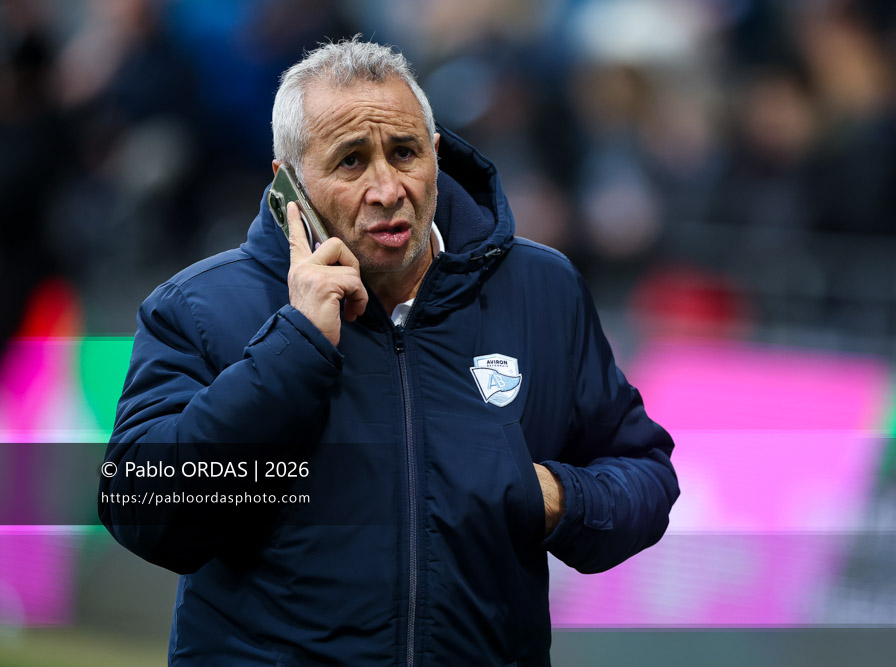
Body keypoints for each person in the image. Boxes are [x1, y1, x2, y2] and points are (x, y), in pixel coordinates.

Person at [99, 37, 679, 666]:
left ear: (435, 154)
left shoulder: (542, 288)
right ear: (289, 185)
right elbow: (142, 508)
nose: (387, 187)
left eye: (405, 153)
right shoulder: (201, 306)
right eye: (350, 161)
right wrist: (293, 349)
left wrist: (559, 500)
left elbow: (644, 471)